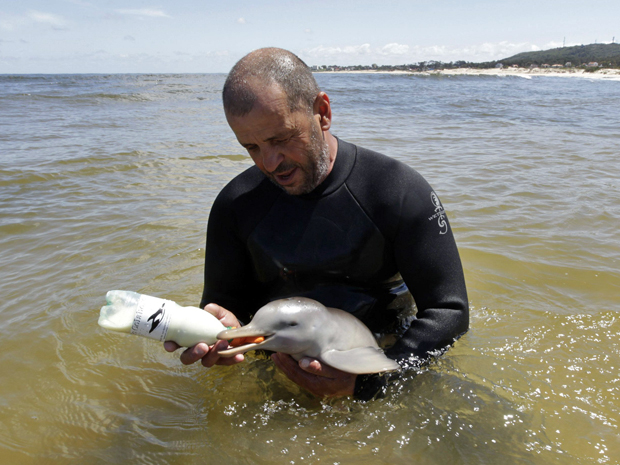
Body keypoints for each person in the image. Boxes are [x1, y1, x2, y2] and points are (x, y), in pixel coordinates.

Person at [164, 47, 468, 400]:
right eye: (251, 147)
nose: (270, 162)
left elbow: (449, 311)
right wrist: (219, 333)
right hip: (279, 366)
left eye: (281, 138)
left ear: (322, 112)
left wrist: (369, 385)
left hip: (381, 360)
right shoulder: (235, 206)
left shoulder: (395, 190)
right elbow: (223, 305)